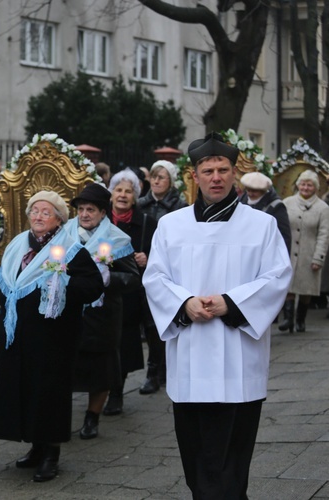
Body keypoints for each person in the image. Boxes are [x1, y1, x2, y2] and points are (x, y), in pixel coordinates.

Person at [143, 132, 292, 499]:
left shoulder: (261, 225)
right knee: (195, 455)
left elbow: (277, 276)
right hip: (191, 355)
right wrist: (183, 304)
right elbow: (155, 276)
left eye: (223, 169)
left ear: (234, 173)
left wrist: (231, 302)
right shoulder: (172, 225)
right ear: (193, 176)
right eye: (207, 170)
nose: (216, 177)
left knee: (232, 458)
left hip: (238, 357)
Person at [0, 190, 103, 482]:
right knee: (25, 389)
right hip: (19, 335)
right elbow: (4, 278)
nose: (38, 217)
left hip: (54, 337)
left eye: (46, 212)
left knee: (48, 392)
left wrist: (64, 276)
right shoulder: (17, 244)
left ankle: (51, 453)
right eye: (34, 211)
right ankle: (35, 446)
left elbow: (93, 287)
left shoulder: (70, 249)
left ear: (59, 219)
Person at [65, 183, 140, 439]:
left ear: (102, 213)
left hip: (102, 316)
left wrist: (109, 279)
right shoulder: (65, 234)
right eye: (81, 209)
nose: (84, 214)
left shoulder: (117, 239)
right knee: (67, 366)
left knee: (99, 370)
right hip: (71, 313)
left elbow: (132, 278)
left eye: (91, 210)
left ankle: (91, 418)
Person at [135, 159, 188, 395]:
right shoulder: (141, 205)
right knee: (148, 324)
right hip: (140, 270)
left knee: (164, 321)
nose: (156, 181)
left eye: (161, 177)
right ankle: (153, 371)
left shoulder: (180, 206)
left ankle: (165, 368)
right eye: (153, 177)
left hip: (169, 269)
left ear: (171, 181)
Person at [103, 169, 150, 415]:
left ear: (135, 196)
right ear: (110, 193)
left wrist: (148, 258)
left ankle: (116, 393)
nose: (122, 195)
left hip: (128, 291)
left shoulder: (146, 223)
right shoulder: (99, 221)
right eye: (118, 190)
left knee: (122, 343)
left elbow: (162, 255)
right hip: (101, 291)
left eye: (128, 191)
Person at [280, 169, 329, 333]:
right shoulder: (287, 203)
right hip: (289, 252)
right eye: (303, 184)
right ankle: (288, 319)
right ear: (298, 185)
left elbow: (324, 234)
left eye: (309, 185)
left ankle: (300, 319)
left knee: (305, 290)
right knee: (288, 287)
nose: (305, 188)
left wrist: (318, 258)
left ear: (315, 188)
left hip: (310, 253)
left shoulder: (323, 208)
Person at [239, 171, 291, 250]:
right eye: (248, 190)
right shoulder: (243, 199)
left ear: (263, 191)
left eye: (254, 191)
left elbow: (284, 237)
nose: (250, 194)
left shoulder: (276, 206)